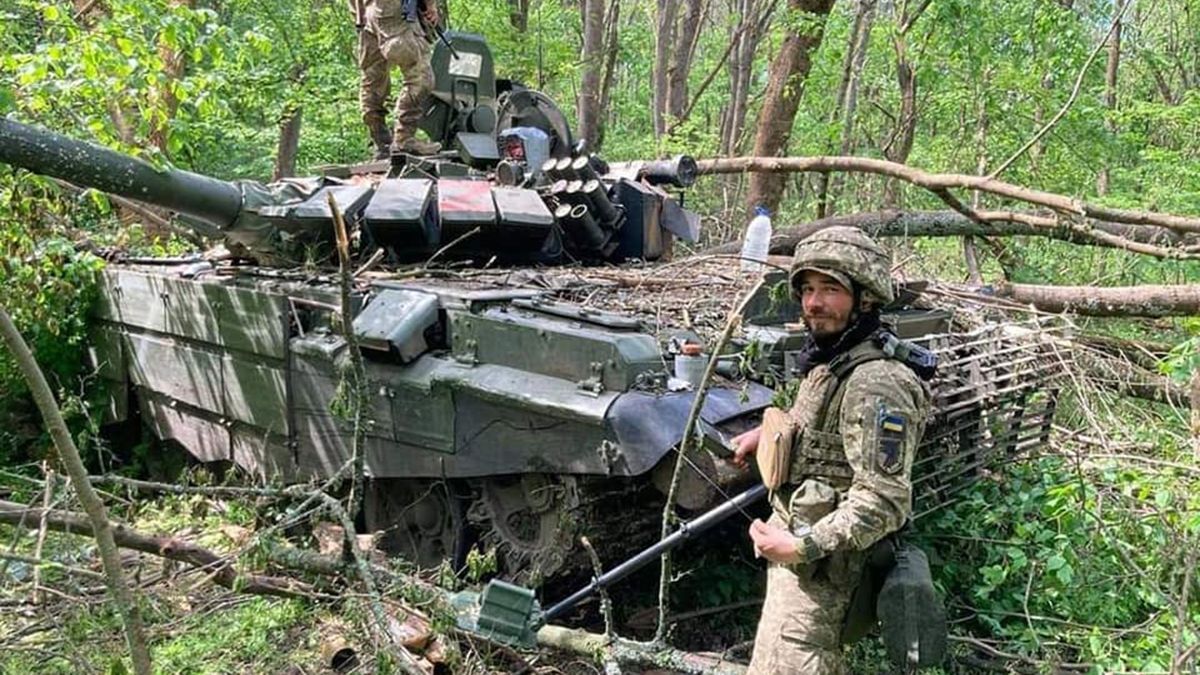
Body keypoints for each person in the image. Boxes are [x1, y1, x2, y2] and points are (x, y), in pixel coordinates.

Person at [731, 226, 933, 674]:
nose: (813, 303)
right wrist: (767, 437)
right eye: (806, 289)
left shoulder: (876, 381)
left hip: (826, 573)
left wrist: (800, 545)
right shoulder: (835, 357)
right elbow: (827, 434)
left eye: (830, 289)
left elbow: (884, 500)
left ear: (865, 298)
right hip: (802, 564)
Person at [352, 0, 441, 158]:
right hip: (394, 13)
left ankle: (381, 142)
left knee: (373, 79)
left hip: (366, 14)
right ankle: (404, 139)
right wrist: (430, 4)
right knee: (421, 78)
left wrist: (359, 14)